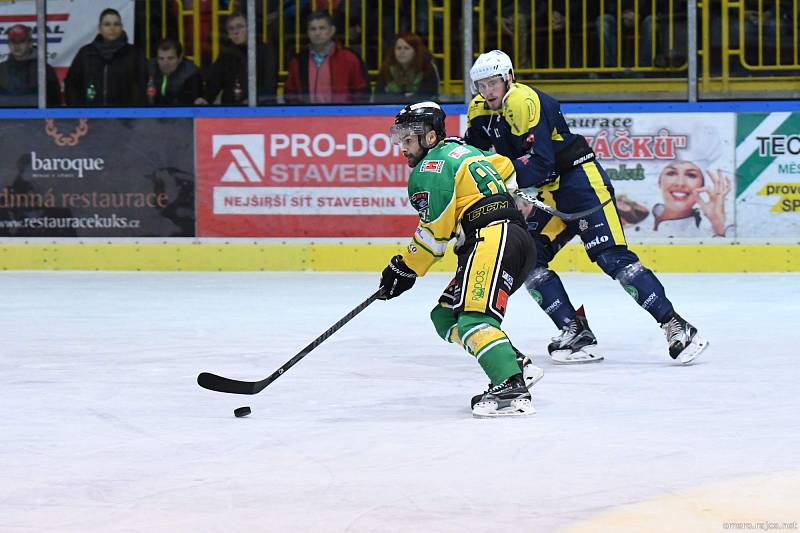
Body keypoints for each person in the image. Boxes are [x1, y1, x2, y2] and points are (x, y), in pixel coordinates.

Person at [464, 50, 708, 365]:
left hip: (580, 182)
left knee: (611, 257)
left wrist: (504, 176)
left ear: (508, 77)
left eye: (493, 83)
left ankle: (676, 325)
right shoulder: (480, 109)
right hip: (549, 190)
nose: (487, 92)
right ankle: (574, 330)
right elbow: (476, 154)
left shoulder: (523, 103)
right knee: (530, 260)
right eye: (481, 86)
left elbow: (541, 163)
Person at [377, 101, 543, 418]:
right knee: (445, 316)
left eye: (408, 139)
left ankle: (510, 387)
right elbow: (505, 166)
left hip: (491, 239)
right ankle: (510, 358)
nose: (402, 147)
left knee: (474, 320)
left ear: (429, 137)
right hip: (513, 239)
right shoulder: (462, 149)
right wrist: (505, 191)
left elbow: (434, 237)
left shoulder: (430, 169)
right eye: (400, 139)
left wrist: (403, 268)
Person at [64, 8, 147, 106]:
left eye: (116, 24)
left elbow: (144, 85)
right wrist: (80, 112)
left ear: (121, 27)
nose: (112, 28)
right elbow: (71, 85)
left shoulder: (135, 53)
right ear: (100, 28)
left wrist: (133, 113)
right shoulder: (86, 53)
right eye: (107, 24)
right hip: (90, 117)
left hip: (125, 118)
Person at [284, 11, 368, 104]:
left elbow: (361, 92)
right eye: (313, 29)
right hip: (306, 116)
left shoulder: (350, 58)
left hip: (342, 116)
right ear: (307, 33)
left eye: (322, 28)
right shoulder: (297, 61)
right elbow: (290, 93)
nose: (317, 33)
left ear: (332, 31)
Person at [196, 12, 278, 105]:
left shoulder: (266, 51)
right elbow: (215, 82)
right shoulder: (226, 54)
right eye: (231, 29)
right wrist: (206, 99)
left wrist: (253, 101)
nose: (235, 32)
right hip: (231, 109)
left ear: (250, 28)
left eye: (240, 26)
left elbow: (270, 85)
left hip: (259, 110)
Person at [652, 161, 732, 237]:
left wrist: (718, 226)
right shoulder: (644, 211)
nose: (680, 183)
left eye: (691, 175)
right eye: (672, 173)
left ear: (701, 187)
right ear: (659, 182)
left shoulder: (703, 231)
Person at [0, 24, 60, 107]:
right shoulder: (1, 69)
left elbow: (54, 102)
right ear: (8, 44)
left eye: (21, 41)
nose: (16, 45)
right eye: (13, 41)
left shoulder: (44, 69)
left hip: (38, 119)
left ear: (30, 43)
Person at [373, 32, 439, 104]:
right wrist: (406, 97)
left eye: (406, 48)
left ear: (416, 51)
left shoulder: (427, 68)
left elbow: (428, 95)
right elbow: (378, 97)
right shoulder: (386, 68)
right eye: (398, 48)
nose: (402, 51)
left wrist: (395, 97)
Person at [146, 39, 202, 106]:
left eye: (170, 58)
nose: (165, 63)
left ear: (180, 58)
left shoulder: (191, 74)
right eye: (161, 58)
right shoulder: (149, 69)